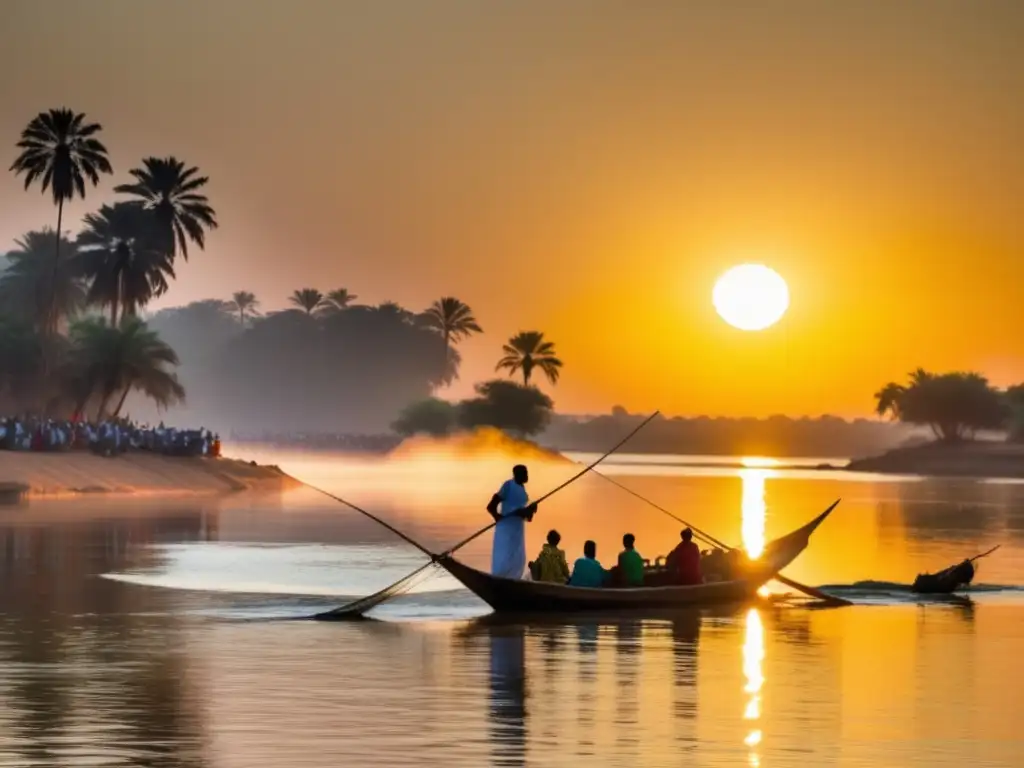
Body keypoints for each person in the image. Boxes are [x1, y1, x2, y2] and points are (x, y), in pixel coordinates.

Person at [486, 464, 538, 579]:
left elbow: (526, 518)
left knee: (518, 559)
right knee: (504, 558)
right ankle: (499, 579)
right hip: (506, 528)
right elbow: (490, 506)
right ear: (516, 474)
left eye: (527, 473)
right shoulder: (508, 485)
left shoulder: (523, 490)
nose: (527, 475)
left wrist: (531, 510)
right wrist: (497, 517)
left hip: (517, 530)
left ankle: (511, 581)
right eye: (524, 473)